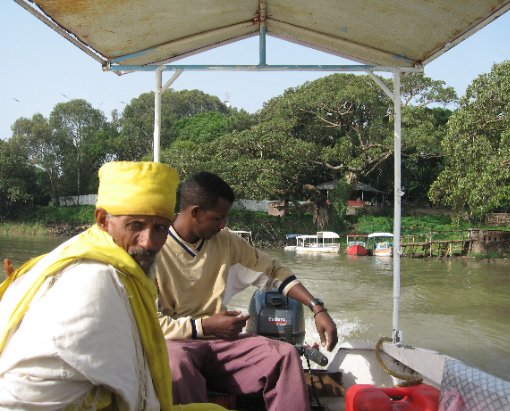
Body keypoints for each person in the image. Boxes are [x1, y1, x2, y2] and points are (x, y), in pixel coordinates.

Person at [0, 162, 227, 411]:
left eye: (160, 228)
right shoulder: (94, 281)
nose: (149, 243)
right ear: (102, 220)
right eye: (136, 225)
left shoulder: (99, 257)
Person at [155, 171, 338, 410]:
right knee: (175, 363)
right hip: (177, 344)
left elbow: (273, 271)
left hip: (220, 343)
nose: (223, 225)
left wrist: (316, 308)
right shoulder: (153, 247)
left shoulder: (226, 241)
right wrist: (206, 326)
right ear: (195, 212)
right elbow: (149, 324)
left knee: (285, 356)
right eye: (218, 218)